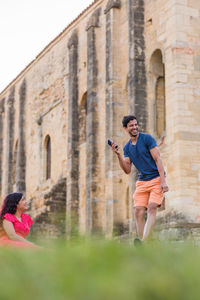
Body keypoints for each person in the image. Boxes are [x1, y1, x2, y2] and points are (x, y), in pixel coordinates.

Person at [111, 115, 169, 243]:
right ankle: (144, 246)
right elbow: (127, 170)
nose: (135, 127)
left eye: (136, 124)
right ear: (126, 128)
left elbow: (158, 159)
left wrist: (163, 181)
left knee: (152, 206)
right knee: (138, 211)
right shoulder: (127, 148)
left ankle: (143, 242)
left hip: (156, 178)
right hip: (142, 181)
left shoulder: (147, 138)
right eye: (131, 125)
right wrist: (118, 155)